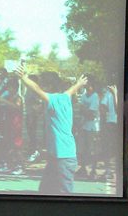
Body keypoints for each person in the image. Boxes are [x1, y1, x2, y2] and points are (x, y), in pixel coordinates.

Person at [16, 66, 87, 194]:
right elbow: (72, 90)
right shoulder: (65, 97)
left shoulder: (54, 99)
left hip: (63, 157)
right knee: (45, 191)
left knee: (64, 193)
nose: (41, 87)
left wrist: (24, 78)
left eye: (43, 84)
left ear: (49, 86)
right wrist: (79, 83)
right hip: (57, 156)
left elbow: (36, 89)